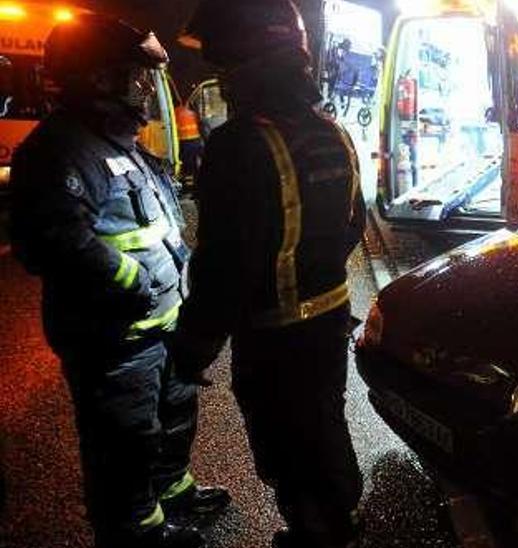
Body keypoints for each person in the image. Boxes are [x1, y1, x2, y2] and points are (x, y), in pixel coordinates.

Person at [7, 14, 228, 548]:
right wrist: (133, 283)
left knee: (173, 418)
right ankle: (135, 531)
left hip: (160, 328)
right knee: (124, 442)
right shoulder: (59, 150)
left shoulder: (119, 142)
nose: (143, 87)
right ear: (97, 78)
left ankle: (173, 493)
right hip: (115, 340)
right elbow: (53, 243)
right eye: (133, 75)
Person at [174, 1, 366, 546]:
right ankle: (336, 526)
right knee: (325, 428)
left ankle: (315, 534)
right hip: (328, 323)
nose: (224, 83)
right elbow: (353, 227)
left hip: (274, 337)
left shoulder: (239, 145)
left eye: (225, 68)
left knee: (287, 445)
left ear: (246, 65)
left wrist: (191, 349)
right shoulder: (335, 133)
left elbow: (223, 267)